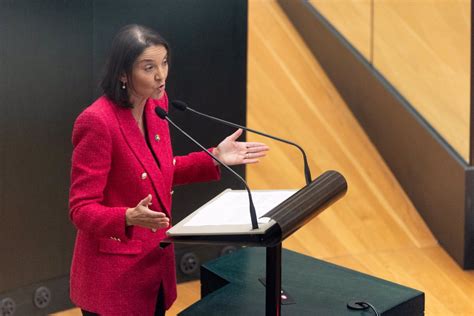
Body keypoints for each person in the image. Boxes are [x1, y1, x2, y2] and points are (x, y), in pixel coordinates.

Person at [68, 24, 269, 316]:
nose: (161, 75)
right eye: (149, 67)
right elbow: (80, 208)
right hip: (113, 278)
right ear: (123, 74)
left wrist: (214, 157)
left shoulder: (156, 104)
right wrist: (127, 217)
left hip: (154, 267)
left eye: (164, 63)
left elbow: (160, 171)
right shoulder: (98, 123)